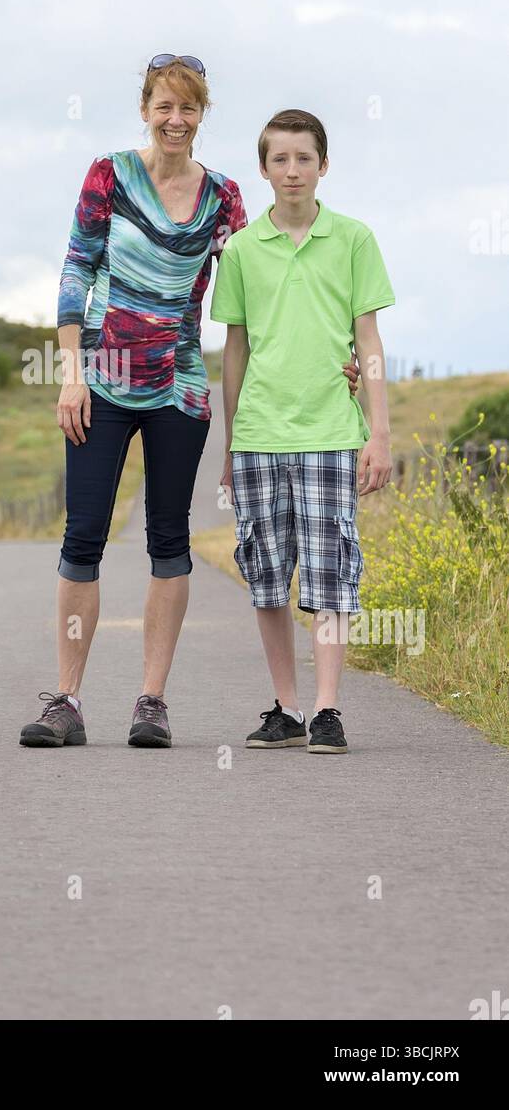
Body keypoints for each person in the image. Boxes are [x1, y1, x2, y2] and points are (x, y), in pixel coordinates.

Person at [18, 63, 356, 749]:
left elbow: (260, 286)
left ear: (202, 115)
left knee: (167, 543)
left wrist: (336, 355)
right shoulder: (108, 175)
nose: (177, 120)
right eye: (165, 106)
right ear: (146, 108)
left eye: (190, 109)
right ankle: (67, 702)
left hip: (178, 386)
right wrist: (70, 374)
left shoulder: (224, 198)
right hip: (102, 383)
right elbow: (77, 269)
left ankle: (151, 702)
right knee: (82, 539)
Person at [210, 108, 395, 754]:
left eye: (304, 158)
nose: (293, 171)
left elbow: (368, 340)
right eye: (280, 159)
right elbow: (234, 350)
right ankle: (285, 706)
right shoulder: (239, 251)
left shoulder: (352, 239)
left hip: (329, 432)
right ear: (263, 169)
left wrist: (379, 433)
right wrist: (231, 444)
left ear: (323, 165)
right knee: (266, 573)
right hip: (260, 434)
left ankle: (326, 709)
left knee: (330, 571)